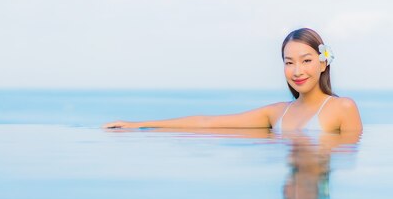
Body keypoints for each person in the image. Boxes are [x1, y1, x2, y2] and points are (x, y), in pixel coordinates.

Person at [102, 28, 362, 132]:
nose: (297, 71)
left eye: (306, 60)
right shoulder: (278, 113)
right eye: (289, 62)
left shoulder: (342, 108)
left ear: (323, 62)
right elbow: (209, 122)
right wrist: (138, 125)